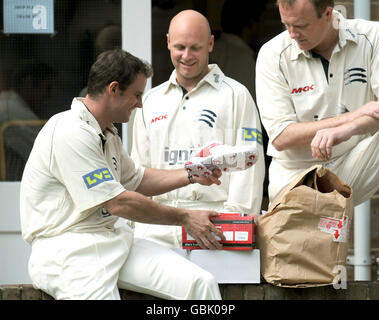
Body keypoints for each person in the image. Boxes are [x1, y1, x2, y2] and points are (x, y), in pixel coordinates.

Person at [20, 49, 225, 300]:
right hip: (66, 251)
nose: (140, 103)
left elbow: (137, 179)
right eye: (137, 94)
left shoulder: (106, 132)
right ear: (113, 89)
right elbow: (118, 202)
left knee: (200, 284)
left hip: (112, 239)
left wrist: (192, 174)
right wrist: (185, 217)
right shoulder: (69, 131)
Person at [131, 10, 265, 248]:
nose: (186, 56)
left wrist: (233, 224)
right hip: (156, 228)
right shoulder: (150, 100)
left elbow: (249, 167)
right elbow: (137, 172)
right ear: (168, 43)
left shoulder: (236, 95)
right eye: (180, 47)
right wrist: (135, 225)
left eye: (195, 48)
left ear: (210, 44)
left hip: (212, 226)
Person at [256, 0, 379, 206]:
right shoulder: (272, 54)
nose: (292, 33)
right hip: (296, 177)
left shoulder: (373, 36)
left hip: (353, 161)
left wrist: (347, 130)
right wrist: (353, 116)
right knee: (303, 237)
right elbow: (281, 135)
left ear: (328, 14)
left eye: (300, 26)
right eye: (286, 24)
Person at [0, 60, 55, 180]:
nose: (48, 96)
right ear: (29, 82)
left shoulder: (8, 104)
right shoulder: (14, 112)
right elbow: (47, 154)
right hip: (11, 186)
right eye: (46, 88)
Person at [210, 0, 268, 99]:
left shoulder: (211, 50)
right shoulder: (245, 60)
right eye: (262, 21)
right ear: (252, 24)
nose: (263, 27)